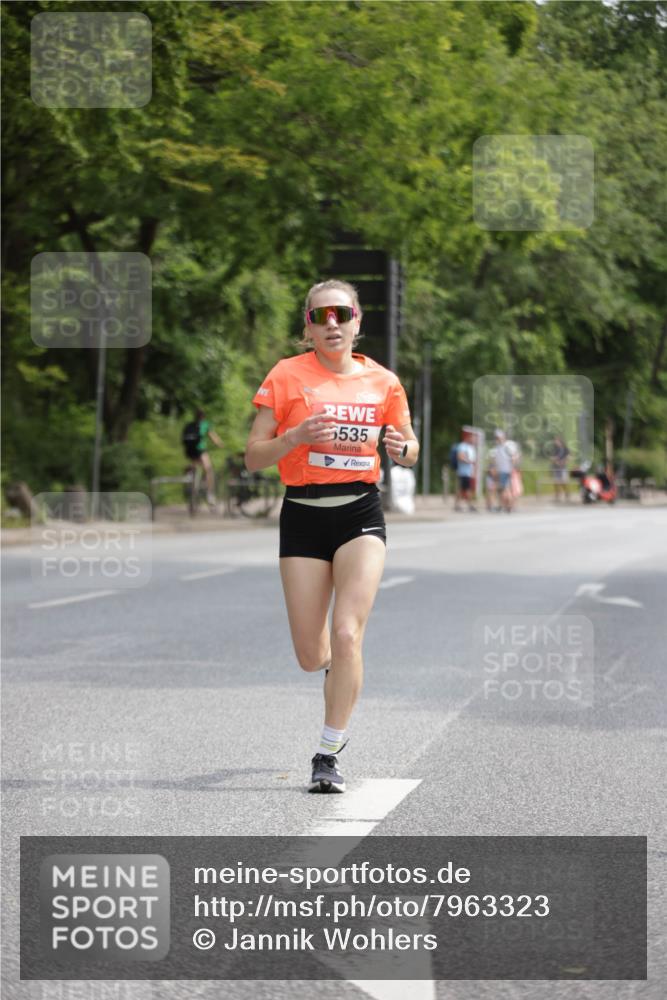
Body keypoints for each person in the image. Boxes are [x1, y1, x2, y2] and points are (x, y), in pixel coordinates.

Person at [245, 279, 418, 793]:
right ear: (308, 327)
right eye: (320, 317)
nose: (332, 324)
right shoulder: (285, 375)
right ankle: (335, 669)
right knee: (310, 653)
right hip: (302, 514)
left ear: (357, 321)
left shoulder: (383, 383)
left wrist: (401, 449)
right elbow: (254, 455)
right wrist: (294, 437)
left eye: (341, 314)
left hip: (360, 513)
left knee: (347, 634)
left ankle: (328, 753)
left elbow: (411, 446)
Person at [182, 409, 224, 507]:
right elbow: (214, 438)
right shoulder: (205, 424)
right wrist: (220, 444)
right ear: (203, 416)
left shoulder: (190, 425)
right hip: (200, 450)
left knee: (194, 467)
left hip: (190, 451)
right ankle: (210, 494)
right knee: (208, 469)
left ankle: (191, 483)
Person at [488, 429, 516, 512]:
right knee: (505, 489)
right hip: (501, 471)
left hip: (505, 471)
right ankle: (507, 506)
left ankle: (508, 506)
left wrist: (511, 468)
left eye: (498, 438)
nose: (497, 439)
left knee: (503, 489)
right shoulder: (498, 447)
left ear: (503, 437)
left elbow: (513, 457)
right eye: (496, 438)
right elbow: (495, 461)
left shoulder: (507, 446)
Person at [454, 431, 477, 512]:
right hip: (463, 472)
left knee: (463, 489)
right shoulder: (462, 446)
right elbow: (460, 457)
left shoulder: (471, 447)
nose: (474, 440)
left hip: (468, 472)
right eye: (473, 438)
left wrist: (473, 470)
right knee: (466, 489)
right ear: (468, 437)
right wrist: (468, 461)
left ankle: (458, 505)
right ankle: (469, 505)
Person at [550, 435, 570, 502]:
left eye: (556, 441)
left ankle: (567, 493)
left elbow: (568, 457)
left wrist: (563, 462)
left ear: (560, 441)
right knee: (556, 482)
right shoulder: (555, 449)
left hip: (563, 467)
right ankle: (557, 495)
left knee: (564, 482)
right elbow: (552, 458)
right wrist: (556, 461)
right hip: (556, 467)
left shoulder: (565, 449)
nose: (555, 442)